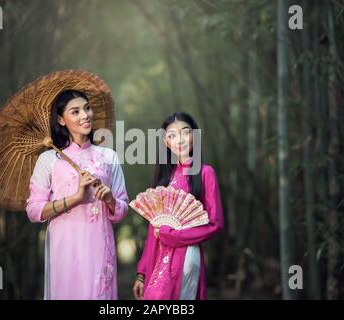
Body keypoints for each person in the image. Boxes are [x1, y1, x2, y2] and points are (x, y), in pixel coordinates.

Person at [26, 89, 128, 299]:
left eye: (87, 108)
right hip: (65, 248)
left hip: (100, 245)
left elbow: (122, 209)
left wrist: (110, 199)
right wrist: (75, 198)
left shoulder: (108, 156)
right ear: (61, 120)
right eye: (75, 112)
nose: (85, 115)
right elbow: (34, 210)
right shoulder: (49, 159)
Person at [133, 112, 224, 300]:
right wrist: (141, 273)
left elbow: (215, 224)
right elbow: (154, 229)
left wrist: (174, 235)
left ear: (194, 136)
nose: (179, 140)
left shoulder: (206, 173)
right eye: (172, 135)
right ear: (166, 142)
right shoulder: (165, 178)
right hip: (158, 254)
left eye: (185, 132)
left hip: (187, 254)